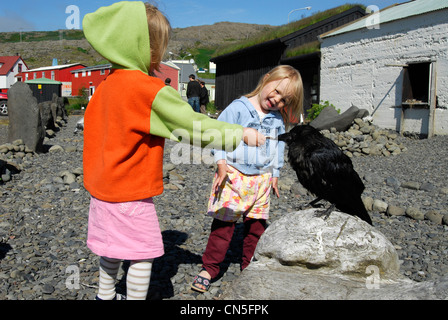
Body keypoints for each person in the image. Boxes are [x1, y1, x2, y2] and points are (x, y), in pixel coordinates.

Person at [82, 1, 265, 300]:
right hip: (129, 192)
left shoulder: (105, 86)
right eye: (159, 48)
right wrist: (239, 133)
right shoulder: (146, 89)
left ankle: (105, 295)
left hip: (101, 189)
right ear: (147, 48)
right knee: (142, 253)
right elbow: (192, 125)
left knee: (111, 248)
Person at [191, 65, 304, 293]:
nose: (277, 100)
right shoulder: (237, 108)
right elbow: (218, 134)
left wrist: (275, 173)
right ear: (266, 80)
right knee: (223, 227)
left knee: (256, 228)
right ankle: (210, 267)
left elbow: (277, 146)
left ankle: (249, 266)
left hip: (261, 179)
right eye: (277, 91)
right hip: (233, 175)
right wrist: (221, 163)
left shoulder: (277, 119)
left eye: (284, 100)